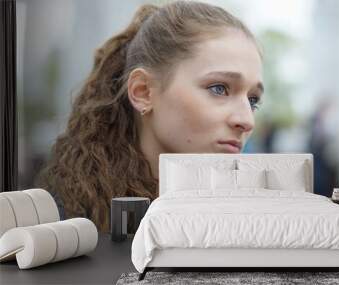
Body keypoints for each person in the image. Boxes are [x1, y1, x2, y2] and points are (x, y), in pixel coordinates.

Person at [35, 1, 264, 232]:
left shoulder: (245, 224)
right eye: (219, 88)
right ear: (143, 92)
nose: (247, 121)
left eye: (253, 100)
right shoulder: (63, 226)